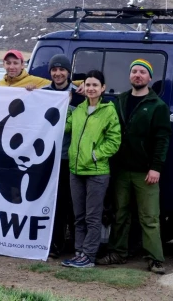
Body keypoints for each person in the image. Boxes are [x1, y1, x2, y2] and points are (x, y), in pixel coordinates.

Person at [97, 59, 171, 274]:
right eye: (134, 71)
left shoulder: (157, 105)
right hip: (121, 170)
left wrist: (156, 167)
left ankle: (155, 258)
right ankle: (117, 253)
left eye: (142, 72)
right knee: (120, 214)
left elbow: (162, 139)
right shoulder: (119, 100)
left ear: (149, 77)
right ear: (130, 76)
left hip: (145, 172)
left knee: (149, 217)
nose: (138, 75)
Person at [61, 70, 121, 268]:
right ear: (83, 87)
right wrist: (66, 100)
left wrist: (95, 155)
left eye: (95, 85)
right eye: (88, 85)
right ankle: (79, 252)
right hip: (75, 171)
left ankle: (89, 256)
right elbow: (65, 126)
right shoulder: (78, 110)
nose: (91, 88)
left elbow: (114, 140)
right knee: (78, 216)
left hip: (96, 172)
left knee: (92, 217)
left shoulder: (108, 111)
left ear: (103, 88)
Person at [41, 54, 84, 258]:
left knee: (73, 204)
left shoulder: (80, 94)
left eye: (62, 70)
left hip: (70, 158)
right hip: (48, 158)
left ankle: (77, 247)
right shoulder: (43, 93)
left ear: (69, 72)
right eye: (54, 70)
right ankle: (55, 245)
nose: (58, 73)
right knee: (53, 203)